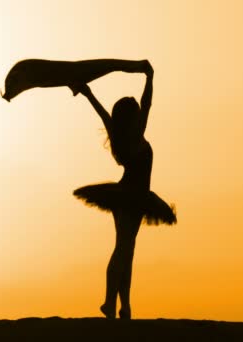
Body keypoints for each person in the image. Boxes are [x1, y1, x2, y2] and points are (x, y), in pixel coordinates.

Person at [72, 60, 176, 320]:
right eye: (137, 111)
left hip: (127, 194)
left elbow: (103, 114)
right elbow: (148, 103)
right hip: (134, 195)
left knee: (126, 249)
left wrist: (88, 94)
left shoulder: (120, 136)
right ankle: (110, 302)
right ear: (133, 117)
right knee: (124, 249)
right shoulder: (135, 134)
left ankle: (124, 306)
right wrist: (149, 77)